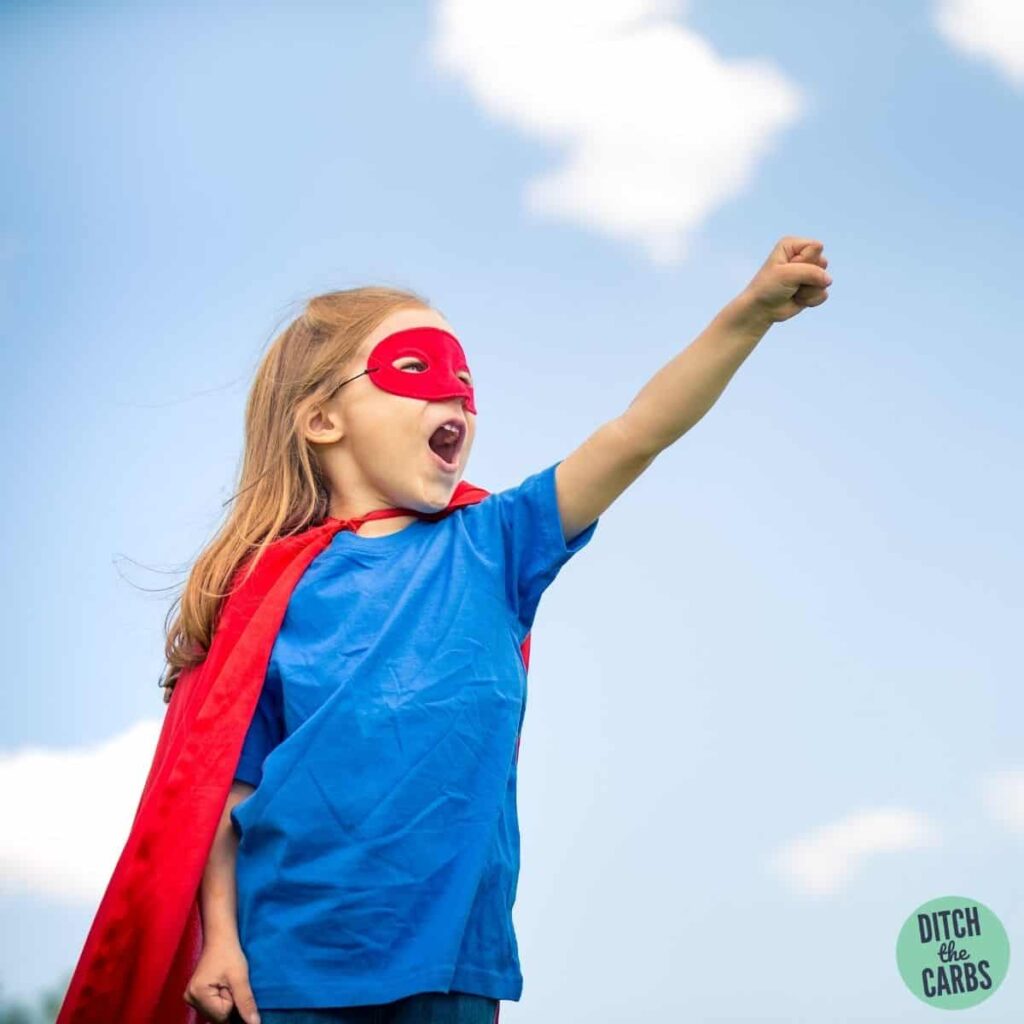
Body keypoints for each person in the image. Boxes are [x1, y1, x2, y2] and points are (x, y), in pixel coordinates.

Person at [62, 237, 830, 1024]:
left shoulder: (500, 544)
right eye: (415, 369)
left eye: (464, 380)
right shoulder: (266, 594)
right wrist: (219, 938)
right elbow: (230, 786)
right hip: (286, 972)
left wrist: (748, 316)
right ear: (322, 419)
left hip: (450, 965)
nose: (456, 395)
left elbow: (636, 433)